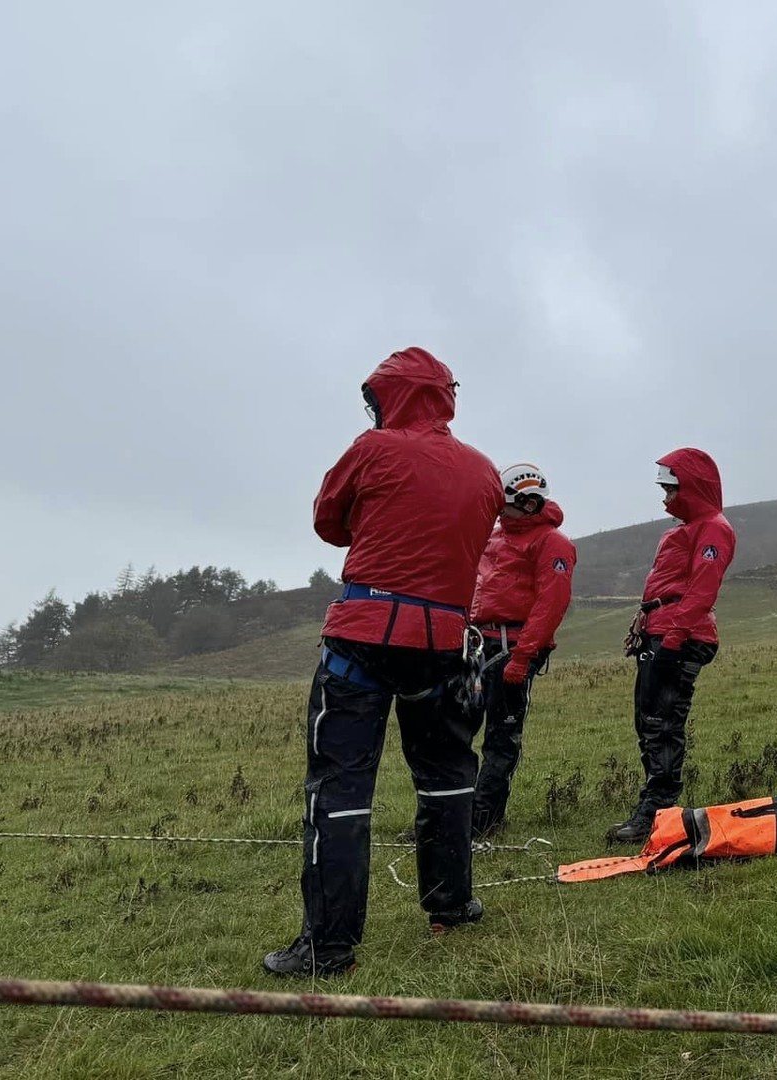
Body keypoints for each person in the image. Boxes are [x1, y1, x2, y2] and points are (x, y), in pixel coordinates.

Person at [264, 347, 503, 978]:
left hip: (363, 636)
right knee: (448, 775)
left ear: (388, 398)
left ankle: (329, 944)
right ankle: (451, 904)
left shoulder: (370, 450)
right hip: (446, 643)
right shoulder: (485, 471)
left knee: (340, 785)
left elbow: (327, 522)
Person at [606, 449, 736, 845]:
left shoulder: (713, 528)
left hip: (680, 636)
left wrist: (674, 638)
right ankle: (657, 807)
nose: (664, 498)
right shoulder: (685, 529)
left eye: (670, 489)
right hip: (662, 631)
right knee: (649, 721)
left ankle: (658, 813)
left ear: (690, 487)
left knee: (662, 722)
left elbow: (703, 587)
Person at [466, 463, 577, 839]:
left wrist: (524, 656)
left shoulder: (552, 543)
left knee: (500, 737)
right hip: (476, 643)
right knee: (456, 729)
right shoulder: (494, 537)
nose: (500, 511)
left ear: (530, 504)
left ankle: (483, 822)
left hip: (510, 647)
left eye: (507, 504)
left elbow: (552, 602)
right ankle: (452, 814)